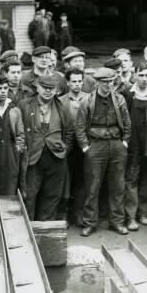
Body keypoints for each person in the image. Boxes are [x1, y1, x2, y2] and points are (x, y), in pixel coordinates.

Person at [75, 67, 132, 236]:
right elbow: (79, 126)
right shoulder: (87, 101)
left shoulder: (119, 99)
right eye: (105, 82)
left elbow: (128, 124)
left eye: (111, 82)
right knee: (92, 186)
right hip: (95, 145)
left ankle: (117, 222)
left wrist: (125, 143)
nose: (109, 85)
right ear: (98, 82)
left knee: (118, 186)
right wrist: (86, 147)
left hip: (116, 145)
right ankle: (90, 222)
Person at [18, 75, 74, 221]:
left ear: (56, 90)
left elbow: (69, 132)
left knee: (52, 196)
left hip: (56, 158)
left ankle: (46, 228)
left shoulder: (62, 106)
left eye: (51, 89)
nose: (48, 91)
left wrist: (64, 150)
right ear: (37, 87)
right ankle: (29, 229)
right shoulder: (25, 105)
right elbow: (18, 131)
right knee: (29, 196)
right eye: (45, 88)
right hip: (32, 157)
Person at [122, 64, 147, 230]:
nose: (144, 79)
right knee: (131, 179)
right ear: (135, 75)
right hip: (132, 145)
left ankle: (143, 212)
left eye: (146, 75)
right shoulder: (127, 94)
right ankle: (130, 216)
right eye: (141, 75)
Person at [59, 68, 88, 225]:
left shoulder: (89, 99)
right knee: (65, 179)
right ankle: (64, 213)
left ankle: (79, 213)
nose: (77, 84)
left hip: (84, 146)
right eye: (73, 81)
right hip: (67, 145)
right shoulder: (61, 101)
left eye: (79, 81)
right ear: (68, 83)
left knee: (82, 180)